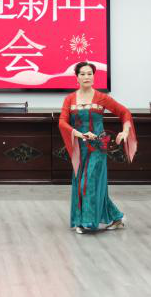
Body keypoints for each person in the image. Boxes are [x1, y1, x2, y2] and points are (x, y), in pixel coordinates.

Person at [58, 61, 137, 233]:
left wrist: (125, 131)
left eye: (90, 74)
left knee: (89, 182)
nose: (86, 77)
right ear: (77, 77)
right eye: (83, 74)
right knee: (85, 183)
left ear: (94, 77)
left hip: (98, 147)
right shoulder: (70, 99)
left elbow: (125, 113)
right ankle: (116, 217)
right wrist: (80, 134)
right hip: (80, 149)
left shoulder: (101, 97)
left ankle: (87, 222)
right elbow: (62, 122)